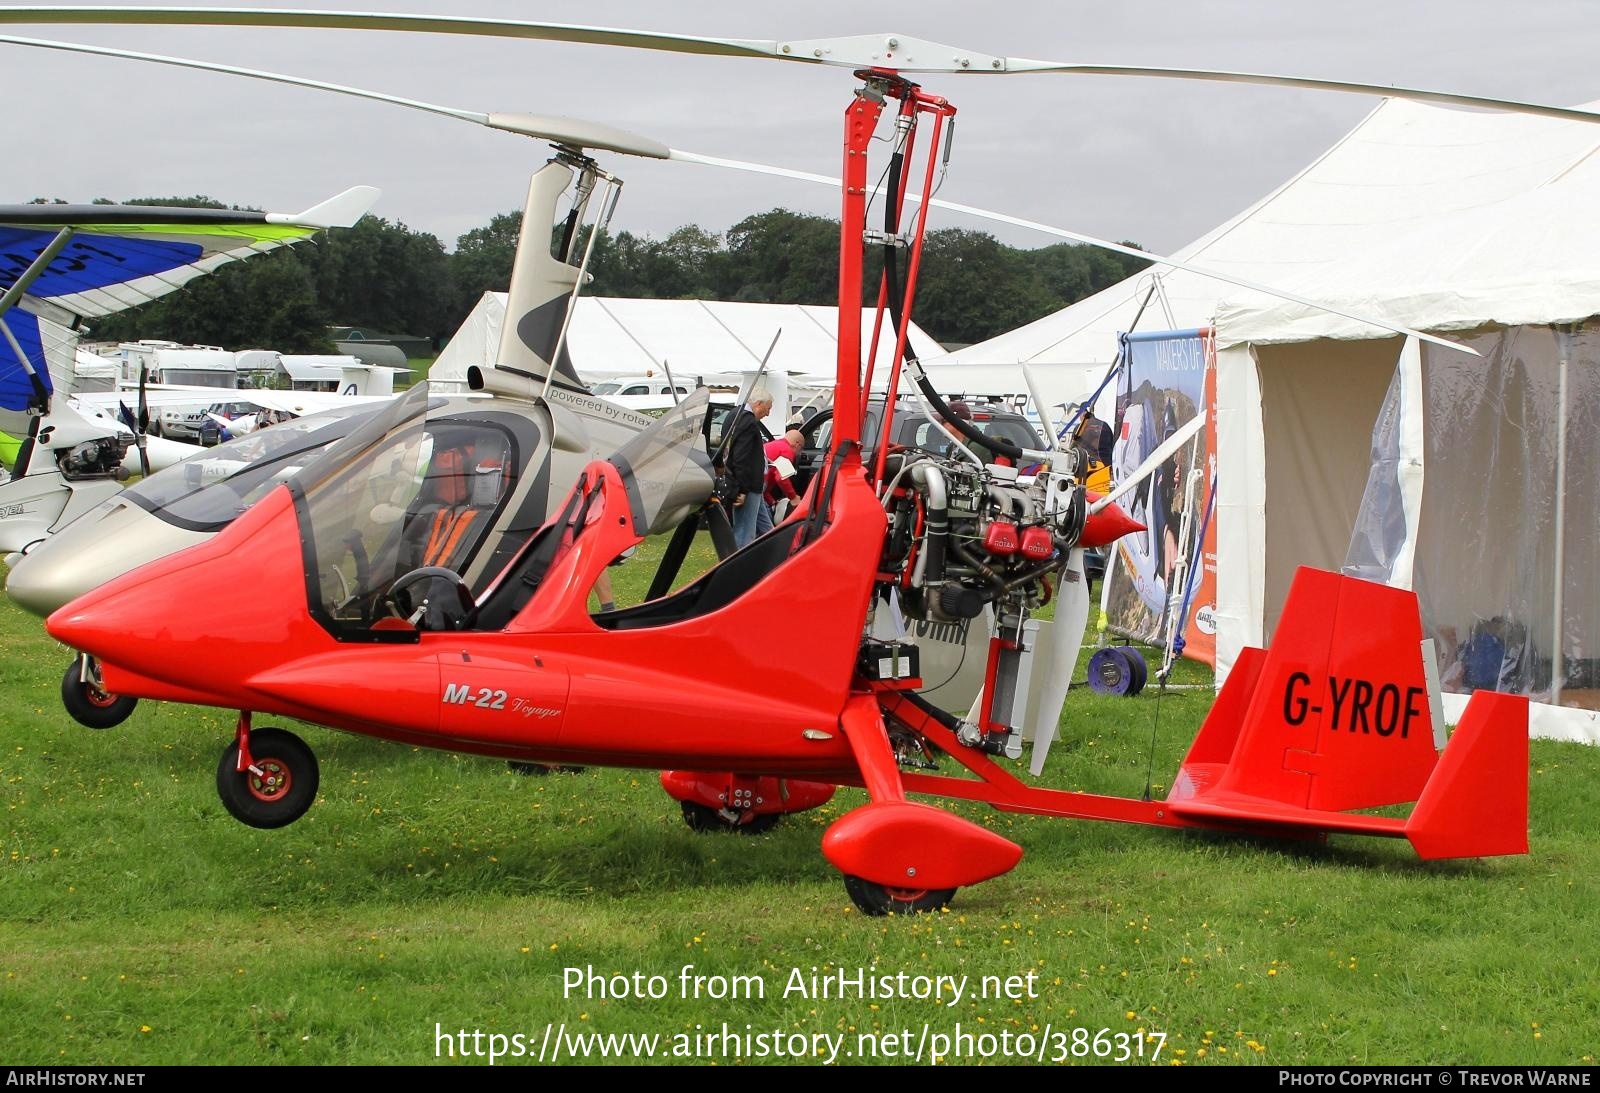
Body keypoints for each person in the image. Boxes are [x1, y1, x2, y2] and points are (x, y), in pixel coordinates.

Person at [726, 387, 772, 549]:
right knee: (744, 534)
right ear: (758, 404)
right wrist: (743, 490)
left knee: (767, 530)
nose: (768, 414)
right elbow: (741, 458)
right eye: (767, 409)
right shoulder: (748, 422)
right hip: (749, 486)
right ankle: (737, 569)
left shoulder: (733, 415)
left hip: (752, 486)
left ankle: (774, 558)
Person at [756, 427, 806, 535]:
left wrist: (772, 502)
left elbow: (770, 479)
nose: (798, 453)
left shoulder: (773, 445)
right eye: (800, 449)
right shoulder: (787, 450)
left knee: (763, 527)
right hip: (756, 489)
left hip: (756, 488)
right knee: (766, 528)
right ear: (797, 444)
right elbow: (781, 477)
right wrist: (793, 497)